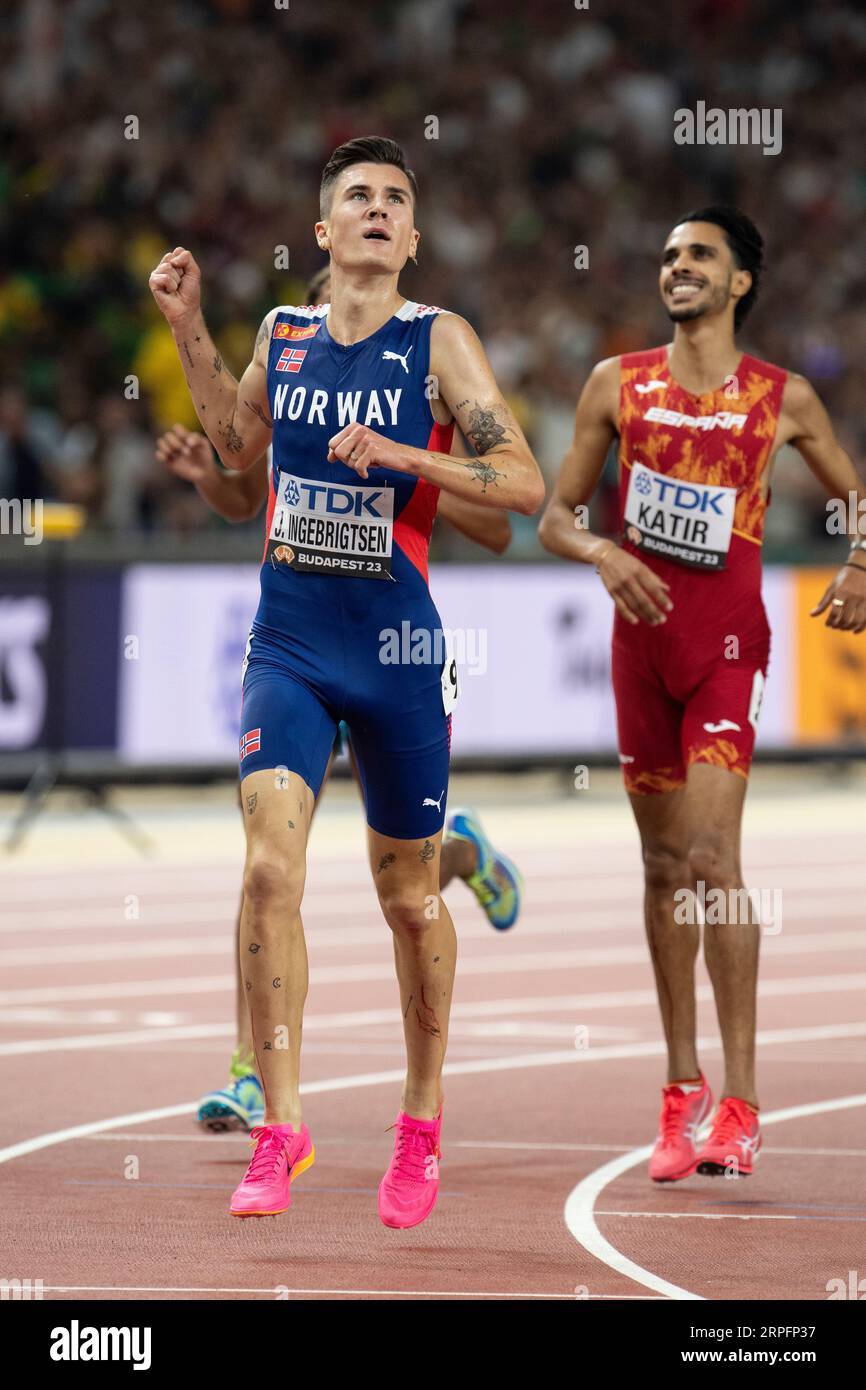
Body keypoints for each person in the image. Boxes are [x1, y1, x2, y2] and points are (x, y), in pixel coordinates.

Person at [149, 135, 544, 1227]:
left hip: (397, 654)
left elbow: (519, 483)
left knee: (409, 899)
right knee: (269, 873)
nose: (376, 209)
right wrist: (186, 324)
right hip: (288, 642)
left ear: (411, 240)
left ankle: (418, 1126)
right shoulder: (280, 333)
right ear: (323, 233)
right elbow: (236, 445)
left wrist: (407, 455)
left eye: (394, 199)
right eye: (357, 197)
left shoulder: (438, 341)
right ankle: (281, 1130)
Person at [539, 206, 866, 1182]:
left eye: (698, 256)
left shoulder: (783, 398)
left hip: (727, 647)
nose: (675, 266)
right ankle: (677, 1091)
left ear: (737, 285)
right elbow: (552, 515)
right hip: (638, 651)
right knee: (658, 871)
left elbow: (854, 497)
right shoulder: (615, 382)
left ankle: (743, 1102)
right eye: (668, 254)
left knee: (713, 856)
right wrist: (600, 550)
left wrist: (858, 563)